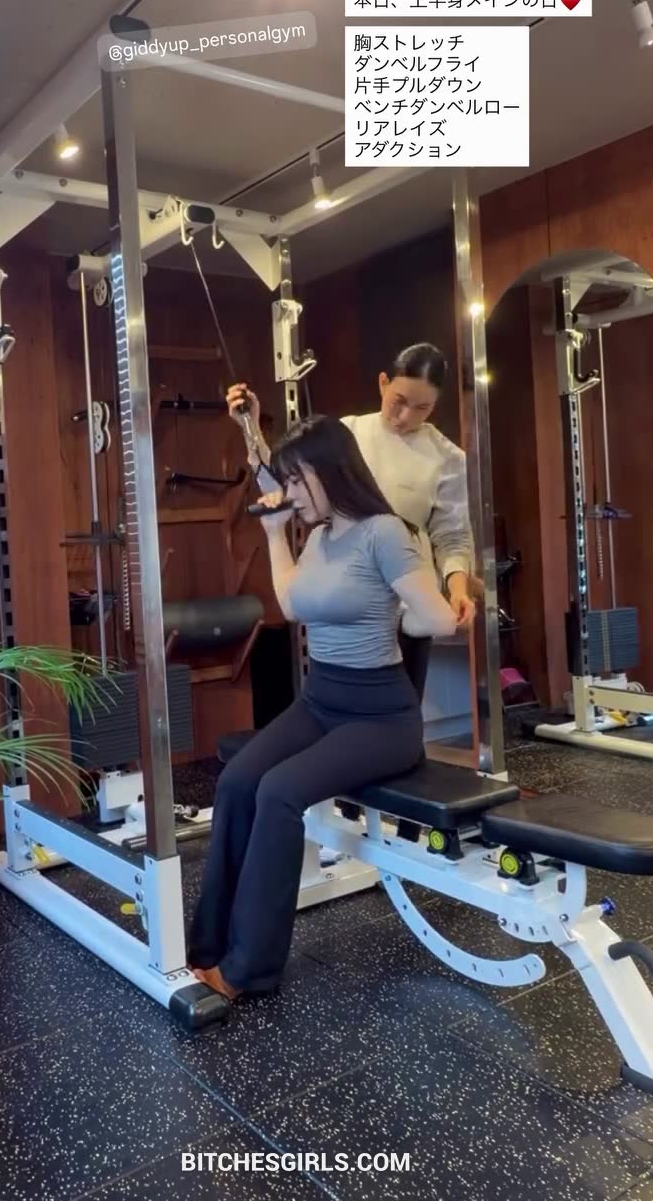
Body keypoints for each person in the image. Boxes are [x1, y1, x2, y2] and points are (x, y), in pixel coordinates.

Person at [188, 416, 457, 1003]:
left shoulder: (384, 533)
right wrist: (273, 534)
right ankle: (206, 945)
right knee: (237, 781)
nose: (288, 492)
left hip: (380, 717)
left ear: (330, 471)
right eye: (285, 481)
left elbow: (438, 619)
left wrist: (404, 611)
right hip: (320, 701)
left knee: (279, 792)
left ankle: (250, 969)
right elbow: (291, 605)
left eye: (295, 480)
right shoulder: (317, 536)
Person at [227, 342, 475, 840]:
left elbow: (453, 537)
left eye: (422, 407)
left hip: (407, 600)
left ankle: (407, 840)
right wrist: (250, 427)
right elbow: (288, 483)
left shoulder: (446, 458)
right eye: (399, 401)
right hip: (347, 592)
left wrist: (456, 586)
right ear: (383, 383)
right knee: (336, 726)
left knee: (393, 726)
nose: (406, 416)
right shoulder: (350, 434)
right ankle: (350, 827)